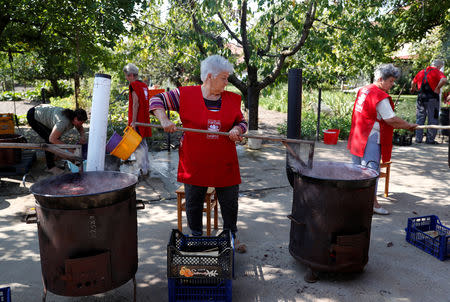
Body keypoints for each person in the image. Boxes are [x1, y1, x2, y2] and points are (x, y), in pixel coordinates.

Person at [150, 55, 247, 246]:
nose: (227, 83)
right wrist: (164, 120)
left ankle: (230, 238)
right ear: (209, 76)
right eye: (224, 78)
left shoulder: (232, 99)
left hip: (224, 162)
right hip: (194, 162)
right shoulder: (184, 95)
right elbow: (156, 100)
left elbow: (241, 122)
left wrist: (237, 129)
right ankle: (196, 237)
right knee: (194, 203)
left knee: (229, 202)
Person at [348, 64, 417, 215]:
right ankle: (372, 203)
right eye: (391, 81)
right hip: (369, 137)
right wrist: (407, 125)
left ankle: (356, 200)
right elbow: (391, 119)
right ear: (381, 79)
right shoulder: (380, 96)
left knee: (357, 170)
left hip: (358, 134)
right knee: (370, 172)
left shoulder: (364, 89)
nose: (393, 84)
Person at [27, 104, 87, 175]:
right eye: (80, 123)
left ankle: (54, 157)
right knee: (49, 139)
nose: (81, 125)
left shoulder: (73, 117)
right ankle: (51, 167)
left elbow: (79, 127)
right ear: (75, 119)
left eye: (82, 123)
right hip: (34, 116)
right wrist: (69, 148)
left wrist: (83, 137)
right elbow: (52, 139)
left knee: (56, 138)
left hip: (43, 112)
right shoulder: (63, 122)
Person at [123, 63, 152, 177]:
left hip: (138, 120)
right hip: (144, 119)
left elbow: (136, 104)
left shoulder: (134, 85)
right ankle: (146, 167)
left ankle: (142, 169)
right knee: (143, 143)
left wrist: (133, 121)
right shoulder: (144, 85)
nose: (126, 78)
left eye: (126, 75)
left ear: (130, 75)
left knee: (137, 145)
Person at [410, 59, 448, 144]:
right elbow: (444, 80)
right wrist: (437, 88)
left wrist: (413, 89)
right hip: (432, 99)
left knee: (420, 118)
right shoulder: (437, 72)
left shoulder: (421, 72)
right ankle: (430, 140)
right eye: (440, 67)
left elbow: (413, 82)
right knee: (433, 118)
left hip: (420, 98)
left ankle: (418, 139)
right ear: (439, 66)